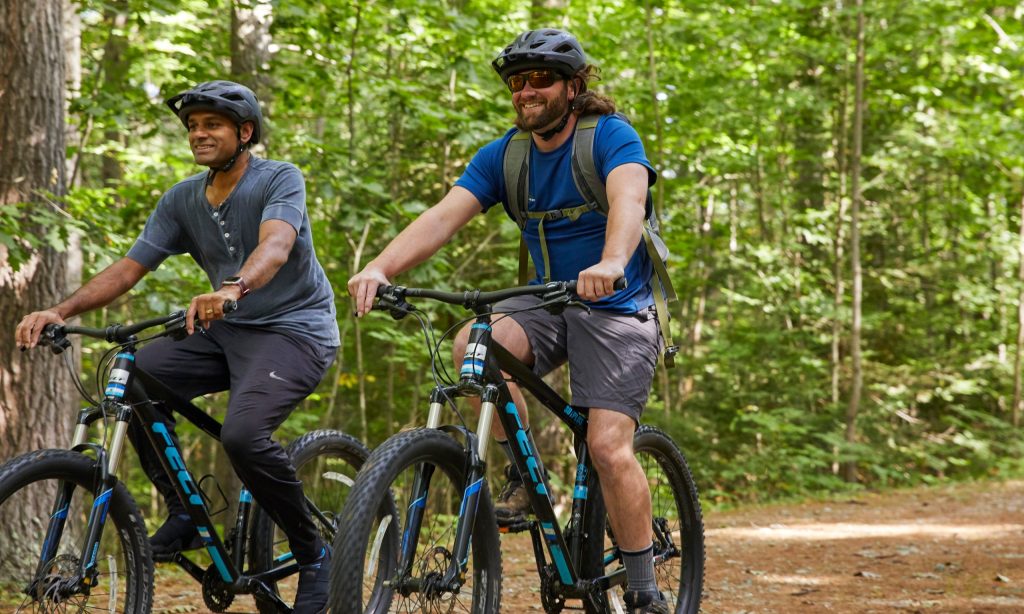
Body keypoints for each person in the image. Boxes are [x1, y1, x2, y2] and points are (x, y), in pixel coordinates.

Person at [348, 29, 669, 614]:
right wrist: (380, 266)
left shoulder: (610, 138)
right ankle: (526, 476)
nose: (526, 91)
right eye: (517, 82)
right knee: (476, 341)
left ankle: (644, 585)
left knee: (606, 445)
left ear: (573, 88)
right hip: (547, 302)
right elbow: (444, 216)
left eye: (540, 79)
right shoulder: (506, 154)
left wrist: (613, 260)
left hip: (617, 304)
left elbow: (630, 201)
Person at [15, 80, 338, 614]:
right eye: (192, 126)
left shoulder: (280, 177)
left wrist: (231, 288)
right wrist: (61, 312)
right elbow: (129, 267)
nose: (199, 133)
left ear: (245, 132)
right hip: (226, 331)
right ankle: (185, 511)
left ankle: (313, 551)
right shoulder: (183, 198)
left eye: (212, 123)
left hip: (294, 330)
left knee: (242, 434)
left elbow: (276, 244)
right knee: (132, 374)